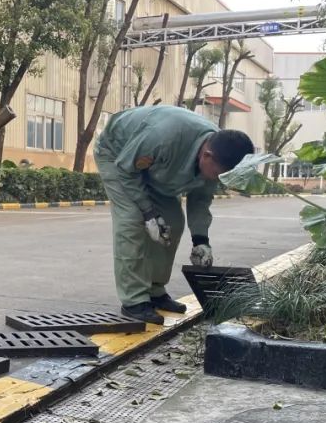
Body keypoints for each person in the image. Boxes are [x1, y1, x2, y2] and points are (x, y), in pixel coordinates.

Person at [93, 105, 254, 325]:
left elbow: (200, 200)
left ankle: (155, 291)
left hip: (155, 167)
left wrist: (201, 241)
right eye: (218, 174)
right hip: (117, 155)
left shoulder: (219, 156)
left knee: (172, 223)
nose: (218, 180)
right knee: (132, 222)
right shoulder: (162, 136)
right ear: (207, 155)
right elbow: (127, 170)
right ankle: (134, 300)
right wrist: (148, 213)